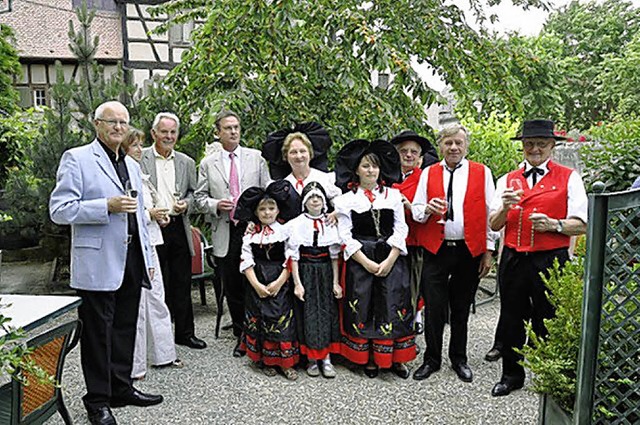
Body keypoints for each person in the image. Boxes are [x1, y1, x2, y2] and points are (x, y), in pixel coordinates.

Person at [49, 101, 163, 425]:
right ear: (97, 124)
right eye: (111, 122)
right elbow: (59, 209)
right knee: (98, 334)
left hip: (131, 258)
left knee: (126, 327)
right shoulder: (78, 158)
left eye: (123, 122)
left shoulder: (129, 163)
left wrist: (148, 257)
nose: (118, 128)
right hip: (97, 261)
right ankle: (97, 401)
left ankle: (121, 388)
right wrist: (105, 206)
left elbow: (140, 216)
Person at [489, 119, 587, 396]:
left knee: (550, 318)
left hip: (551, 258)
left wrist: (555, 225)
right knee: (511, 318)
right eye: (529, 144)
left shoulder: (570, 177)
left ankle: (548, 376)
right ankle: (511, 376)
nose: (535, 149)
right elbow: (494, 225)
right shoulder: (507, 179)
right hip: (514, 258)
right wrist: (505, 208)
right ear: (522, 146)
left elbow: (582, 224)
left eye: (541, 144)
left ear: (552, 146)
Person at [411, 124, 496, 384]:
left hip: (468, 249)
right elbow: (415, 210)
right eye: (448, 143)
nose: (454, 147)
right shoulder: (428, 172)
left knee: (461, 307)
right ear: (441, 146)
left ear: (466, 145)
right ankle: (431, 359)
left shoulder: (482, 172)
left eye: (458, 142)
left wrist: (489, 251)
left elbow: (491, 214)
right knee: (434, 308)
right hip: (436, 250)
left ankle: (459, 359)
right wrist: (427, 208)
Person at [333, 139, 416, 379]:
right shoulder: (345, 200)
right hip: (362, 259)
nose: (371, 171)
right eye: (366, 166)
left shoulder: (393, 195)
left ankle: (394, 358)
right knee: (364, 306)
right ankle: (368, 357)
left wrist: (390, 258)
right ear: (357, 170)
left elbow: (401, 229)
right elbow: (345, 236)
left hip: (391, 256)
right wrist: (365, 261)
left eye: (375, 166)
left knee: (392, 304)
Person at [195, 110, 271, 357]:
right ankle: (241, 334)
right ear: (218, 133)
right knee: (233, 287)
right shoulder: (208, 163)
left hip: (252, 229)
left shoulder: (255, 158)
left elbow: (266, 192)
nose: (234, 131)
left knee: (255, 282)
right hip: (225, 230)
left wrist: (259, 217)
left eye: (236, 127)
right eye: (227, 128)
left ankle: (261, 332)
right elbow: (199, 198)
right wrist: (216, 204)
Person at [140, 112, 205, 350]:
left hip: (178, 226)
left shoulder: (186, 162)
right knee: (157, 283)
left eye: (173, 132)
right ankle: (159, 337)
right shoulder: (140, 158)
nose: (169, 136)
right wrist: (151, 211)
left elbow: (195, 195)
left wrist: (186, 204)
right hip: (152, 227)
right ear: (153, 133)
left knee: (182, 282)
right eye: (164, 132)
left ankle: (185, 334)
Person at [122, 128, 183, 380]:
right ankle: (135, 366)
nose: (139, 149)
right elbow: (128, 213)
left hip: (151, 242)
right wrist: (150, 215)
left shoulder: (139, 173)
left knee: (157, 297)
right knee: (137, 304)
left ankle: (164, 353)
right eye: (135, 145)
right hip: (134, 245)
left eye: (139, 145)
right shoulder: (123, 171)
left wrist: (160, 217)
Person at [235, 180, 301, 380]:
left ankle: (286, 362)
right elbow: (246, 260)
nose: (267, 212)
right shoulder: (250, 236)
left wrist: (280, 281)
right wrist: (256, 285)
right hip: (257, 280)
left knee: (281, 319)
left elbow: (292, 257)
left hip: (280, 280)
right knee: (260, 318)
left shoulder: (286, 231)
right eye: (262, 209)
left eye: (271, 208)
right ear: (255, 212)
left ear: (278, 210)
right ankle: (265, 360)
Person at [288, 182, 342, 378]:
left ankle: (326, 357)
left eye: (318, 197)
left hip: (325, 272)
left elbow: (334, 256)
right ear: (304, 202)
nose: (315, 200)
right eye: (311, 197)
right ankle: (311, 358)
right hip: (306, 271)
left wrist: (336, 282)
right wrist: (297, 284)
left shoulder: (330, 223)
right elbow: (293, 256)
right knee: (309, 313)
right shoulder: (295, 224)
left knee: (327, 312)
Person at [390, 130, 439, 335]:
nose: (408, 155)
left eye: (413, 152)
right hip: (391, 243)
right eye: (404, 151)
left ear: (420, 157)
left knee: (414, 286)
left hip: (415, 242)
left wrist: (410, 206)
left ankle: (413, 322)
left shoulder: (426, 179)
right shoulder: (386, 177)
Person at [262, 123, 341, 199]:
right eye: (293, 152)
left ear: (310, 154)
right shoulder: (281, 186)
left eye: (302, 151)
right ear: (286, 156)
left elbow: (339, 207)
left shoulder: (326, 179)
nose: (299, 156)